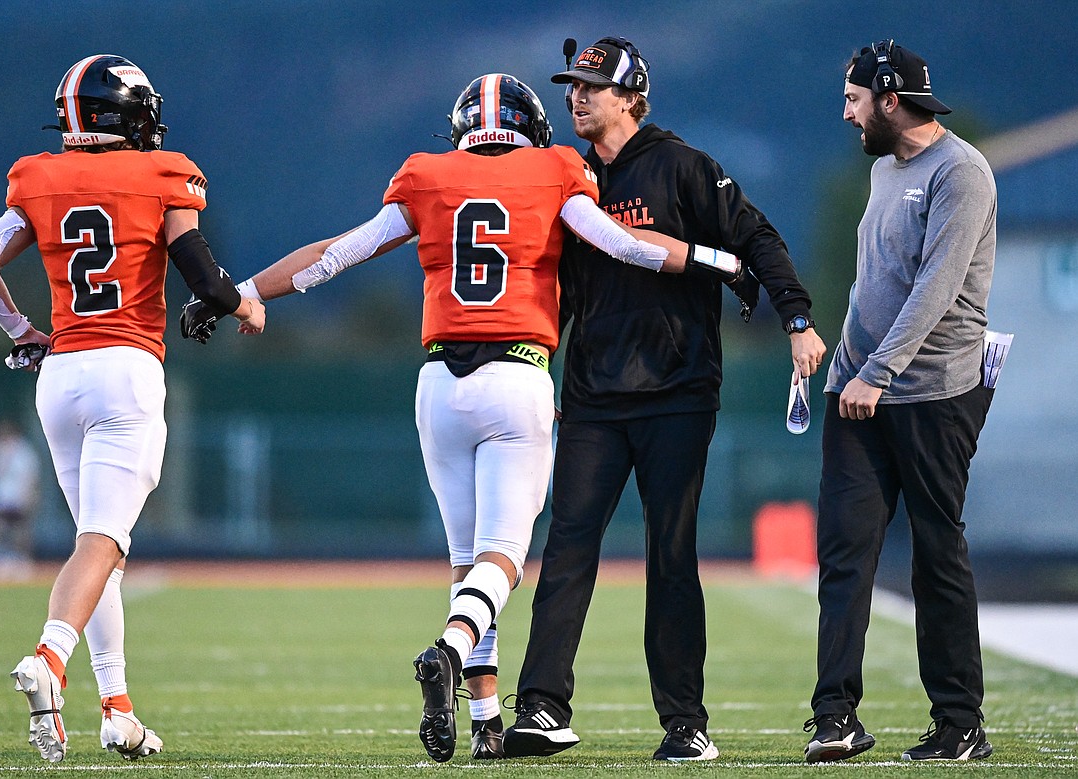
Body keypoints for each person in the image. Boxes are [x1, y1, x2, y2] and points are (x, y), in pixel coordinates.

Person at [182, 73, 722, 763]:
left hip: (439, 381)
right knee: (503, 556)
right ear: (531, 128)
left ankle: (487, 721)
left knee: (466, 559)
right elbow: (624, 245)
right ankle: (449, 647)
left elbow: (335, 255)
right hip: (515, 374)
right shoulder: (557, 168)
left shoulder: (428, 175)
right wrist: (716, 260)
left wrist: (237, 292)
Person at [501, 36, 827, 762]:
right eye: (572, 86)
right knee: (567, 547)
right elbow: (550, 285)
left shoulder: (682, 167)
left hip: (676, 391)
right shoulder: (567, 174)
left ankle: (686, 721)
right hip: (592, 392)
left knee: (670, 555)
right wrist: (542, 365)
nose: (576, 97)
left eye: (592, 87)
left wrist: (796, 319)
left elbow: (756, 237)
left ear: (633, 100)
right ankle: (542, 707)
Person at [0, 54, 265, 763]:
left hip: (58, 373)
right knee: (104, 542)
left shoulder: (37, 176)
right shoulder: (163, 173)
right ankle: (49, 656)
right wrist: (245, 304)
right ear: (126, 115)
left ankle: (117, 709)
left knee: (96, 553)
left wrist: (22, 333)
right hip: (126, 368)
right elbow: (204, 275)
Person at [803, 40, 996, 763]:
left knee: (936, 552)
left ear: (890, 99)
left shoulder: (962, 172)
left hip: (930, 393)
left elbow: (937, 287)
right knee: (844, 553)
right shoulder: (885, 169)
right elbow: (874, 283)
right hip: (857, 391)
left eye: (854, 100)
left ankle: (959, 722)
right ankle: (834, 716)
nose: (847, 114)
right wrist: (843, 364)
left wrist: (878, 371)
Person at [0, 416, 41, 579]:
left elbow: (32, 478)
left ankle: (22, 564)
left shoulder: (24, 452)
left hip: (18, 500)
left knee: (19, 534)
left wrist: (31, 499)